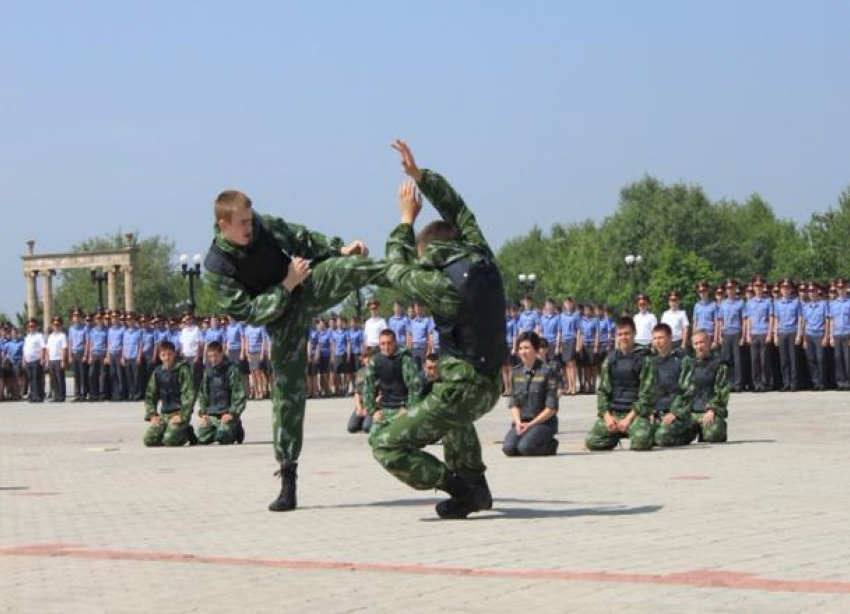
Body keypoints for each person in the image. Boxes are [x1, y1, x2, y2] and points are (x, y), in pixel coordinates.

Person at [204, 186, 384, 512]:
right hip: (282, 316)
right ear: (223, 224)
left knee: (352, 267)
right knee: (287, 396)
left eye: (250, 220)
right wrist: (287, 284)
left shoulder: (263, 226)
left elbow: (301, 238)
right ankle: (288, 480)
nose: (249, 227)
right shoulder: (218, 267)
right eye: (242, 223)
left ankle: (417, 276)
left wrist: (340, 249)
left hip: (307, 286)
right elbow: (251, 313)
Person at [370, 140, 506, 520]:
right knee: (454, 418)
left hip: (463, 389)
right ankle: (476, 487)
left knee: (385, 444)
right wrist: (421, 176)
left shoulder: (441, 283)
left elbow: (396, 269)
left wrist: (405, 220)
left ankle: (460, 488)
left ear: (428, 252)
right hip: (490, 383)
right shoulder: (482, 256)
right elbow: (458, 208)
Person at [584, 316, 655, 451]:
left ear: (634, 333)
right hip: (614, 414)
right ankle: (615, 435)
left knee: (641, 442)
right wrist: (607, 417)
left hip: (635, 415)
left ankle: (638, 431)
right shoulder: (610, 360)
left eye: (627, 334)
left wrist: (628, 419)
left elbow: (646, 395)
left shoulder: (644, 359)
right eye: (620, 334)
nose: (623, 337)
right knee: (592, 441)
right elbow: (602, 391)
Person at [502, 332, 560, 457]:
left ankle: (551, 445)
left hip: (542, 423)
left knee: (525, 448)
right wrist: (518, 422)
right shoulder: (516, 372)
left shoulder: (547, 371)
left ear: (536, 349)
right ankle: (527, 438)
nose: (523, 352)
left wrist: (531, 424)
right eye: (520, 348)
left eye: (527, 348)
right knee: (509, 449)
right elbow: (514, 403)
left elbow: (552, 407)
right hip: (522, 422)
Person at [362, 329, 421, 435]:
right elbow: (368, 387)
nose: (386, 347)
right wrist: (373, 411)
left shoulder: (405, 359)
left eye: (389, 343)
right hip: (384, 407)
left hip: (402, 407)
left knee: (399, 436)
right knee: (374, 437)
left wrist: (409, 409)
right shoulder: (376, 360)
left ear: (395, 342)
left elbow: (414, 387)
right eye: (383, 343)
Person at [143, 341, 197, 447]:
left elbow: (189, 394)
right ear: (159, 356)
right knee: (149, 440)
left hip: (179, 413)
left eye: (169, 354)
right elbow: (150, 395)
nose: (167, 358)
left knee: (169, 440)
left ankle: (186, 432)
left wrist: (182, 415)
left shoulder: (183, 370)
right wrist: (152, 415)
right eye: (163, 355)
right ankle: (169, 430)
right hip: (164, 415)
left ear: (174, 354)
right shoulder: (157, 372)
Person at [650, 324, 693, 448]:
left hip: (677, 415)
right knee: (641, 438)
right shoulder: (651, 363)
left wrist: (675, 413)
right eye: (655, 338)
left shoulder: (683, 361)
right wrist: (649, 412)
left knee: (661, 437)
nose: (657, 342)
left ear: (670, 338)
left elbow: (688, 391)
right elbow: (647, 391)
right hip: (657, 414)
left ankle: (686, 434)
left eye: (661, 338)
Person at [197, 341, 246, 445]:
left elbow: (239, 394)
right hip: (212, 414)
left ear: (221, 353)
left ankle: (236, 429)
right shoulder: (208, 372)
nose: (213, 359)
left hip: (227, 413)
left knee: (222, 438)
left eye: (216, 355)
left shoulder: (232, 370)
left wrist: (232, 414)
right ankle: (218, 430)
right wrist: (203, 413)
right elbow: (203, 394)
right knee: (201, 438)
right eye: (210, 356)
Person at [686, 330, 729, 443]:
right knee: (668, 435)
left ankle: (711, 429)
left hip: (710, 412)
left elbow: (722, 392)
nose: (699, 346)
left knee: (713, 435)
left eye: (702, 342)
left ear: (708, 342)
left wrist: (712, 410)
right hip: (691, 412)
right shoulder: (688, 365)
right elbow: (681, 392)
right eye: (696, 343)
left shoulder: (719, 365)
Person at [743, 275, 774, 392]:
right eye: (756, 286)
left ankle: (766, 383)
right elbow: (748, 320)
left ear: (763, 287)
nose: (758, 288)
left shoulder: (768, 301)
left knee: (764, 360)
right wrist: (747, 335)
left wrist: (770, 334)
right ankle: (756, 383)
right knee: (754, 360)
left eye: (760, 286)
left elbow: (771, 318)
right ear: (753, 287)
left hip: (764, 332)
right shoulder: (749, 303)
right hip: (753, 333)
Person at [772, 278, 803, 391]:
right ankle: (786, 382)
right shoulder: (777, 303)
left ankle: (794, 383)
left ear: (791, 290)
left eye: (787, 288)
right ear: (780, 290)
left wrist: (799, 334)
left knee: (793, 359)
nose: (785, 290)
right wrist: (775, 335)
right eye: (783, 288)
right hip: (781, 332)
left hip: (792, 332)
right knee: (784, 359)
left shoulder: (796, 302)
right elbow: (776, 319)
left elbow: (800, 319)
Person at [718, 279, 746, 392]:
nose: (730, 290)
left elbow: (744, 320)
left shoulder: (741, 303)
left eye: (732, 288)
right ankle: (728, 383)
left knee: (738, 360)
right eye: (728, 288)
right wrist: (720, 335)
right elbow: (720, 320)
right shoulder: (723, 304)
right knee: (726, 360)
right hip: (726, 333)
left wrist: (743, 336)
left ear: (735, 289)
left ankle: (738, 384)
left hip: (736, 332)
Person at [802, 283, 830, 390]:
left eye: (813, 290)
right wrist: (804, 339)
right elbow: (804, 323)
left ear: (817, 291)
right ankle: (815, 383)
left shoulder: (823, 304)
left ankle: (822, 383)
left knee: (821, 359)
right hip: (809, 335)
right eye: (809, 291)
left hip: (819, 335)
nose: (811, 293)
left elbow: (827, 321)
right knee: (811, 359)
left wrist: (826, 336)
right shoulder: (806, 306)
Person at [557, 297, 581, 396]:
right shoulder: (561, 316)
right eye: (566, 303)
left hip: (572, 340)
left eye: (570, 303)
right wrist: (559, 344)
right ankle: (569, 386)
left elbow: (579, 330)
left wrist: (578, 344)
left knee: (572, 364)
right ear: (564, 304)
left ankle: (574, 386)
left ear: (572, 304)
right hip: (564, 341)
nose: (568, 304)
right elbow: (559, 331)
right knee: (567, 364)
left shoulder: (576, 315)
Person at [829, 278, 850, 389]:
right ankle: (841, 383)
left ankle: (848, 382)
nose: (841, 289)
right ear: (836, 289)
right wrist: (831, 336)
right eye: (839, 287)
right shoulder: (833, 304)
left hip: (847, 334)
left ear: (846, 288)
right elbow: (832, 320)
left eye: (843, 287)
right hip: (836, 335)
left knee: (847, 359)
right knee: (838, 359)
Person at [347, 350, 374, 434]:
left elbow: (381, 395)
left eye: (370, 357)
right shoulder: (360, 372)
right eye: (365, 357)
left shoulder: (379, 372)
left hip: (374, 405)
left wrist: (369, 408)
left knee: (367, 428)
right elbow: (357, 392)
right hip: (363, 404)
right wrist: (359, 407)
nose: (368, 359)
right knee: (351, 428)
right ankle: (364, 420)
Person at [86, 312, 109, 401]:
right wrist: (90, 356)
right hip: (94, 354)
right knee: (92, 375)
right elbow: (91, 344)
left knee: (103, 376)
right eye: (97, 318)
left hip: (103, 354)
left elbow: (108, 344)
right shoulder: (92, 330)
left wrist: (107, 356)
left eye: (100, 318)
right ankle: (93, 394)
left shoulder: (106, 330)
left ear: (102, 319)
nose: (98, 320)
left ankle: (102, 394)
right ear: (95, 320)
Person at [23, 318, 47, 403]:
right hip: (28, 361)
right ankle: (33, 395)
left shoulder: (39, 336)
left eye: (33, 326)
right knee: (30, 379)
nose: (31, 327)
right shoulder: (27, 337)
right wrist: (24, 360)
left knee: (36, 378)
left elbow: (43, 347)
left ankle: (39, 396)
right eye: (29, 326)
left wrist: (42, 358)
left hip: (36, 360)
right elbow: (25, 349)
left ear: (36, 326)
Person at [68, 309, 89, 402]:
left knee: (83, 374)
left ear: (80, 317)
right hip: (74, 353)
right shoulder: (71, 329)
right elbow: (70, 342)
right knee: (76, 375)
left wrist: (85, 355)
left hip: (81, 352)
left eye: (77, 316)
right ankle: (77, 394)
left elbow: (87, 342)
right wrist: (69, 355)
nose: (76, 317)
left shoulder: (85, 327)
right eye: (74, 316)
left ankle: (83, 394)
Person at [179, 313, 203, 394]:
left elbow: (199, 343)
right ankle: (188, 391)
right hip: (185, 355)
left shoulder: (196, 329)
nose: (188, 321)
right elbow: (182, 342)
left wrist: (197, 356)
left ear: (192, 320)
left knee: (194, 374)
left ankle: (196, 391)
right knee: (186, 374)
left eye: (189, 319)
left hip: (193, 355)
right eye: (186, 319)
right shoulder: (183, 330)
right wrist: (181, 351)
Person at [122, 313, 144, 401]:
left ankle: (137, 394)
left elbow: (140, 345)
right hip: (127, 357)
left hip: (135, 357)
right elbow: (124, 345)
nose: (129, 321)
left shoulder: (139, 331)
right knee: (129, 377)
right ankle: (131, 394)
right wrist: (123, 356)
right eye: (128, 320)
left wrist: (139, 356)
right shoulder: (125, 332)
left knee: (136, 377)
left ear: (134, 320)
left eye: (131, 319)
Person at [46, 317, 68, 402]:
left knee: (60, 379)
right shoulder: (50, 336)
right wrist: (48, 360)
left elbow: (64, 348)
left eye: (58, 324)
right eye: (54, 325)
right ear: (52, 326)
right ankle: (56, 395)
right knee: (53, 379)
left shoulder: (62, 336)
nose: (56, 326)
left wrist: (63, 360)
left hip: (59, 359)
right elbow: (48, 348)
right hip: (52, 360)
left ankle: (61, 396)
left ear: (61, 325)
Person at [693, 281, 720, 349]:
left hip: (710, 336)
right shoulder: (697, 306)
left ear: (708, 291)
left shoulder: (714, 305)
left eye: (704, 290)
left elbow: (717, 323)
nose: (702, 293)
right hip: (699, 336)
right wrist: (693, 337)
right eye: (700, 291)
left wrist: (715, 340)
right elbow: (695, 322)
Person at [105, 312, 126, 401]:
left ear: (118, 318)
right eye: (113, 318)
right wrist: (107, 356)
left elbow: (124, 343)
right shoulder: (110, 330)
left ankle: (122, 394)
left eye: (116, 317)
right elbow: (109, 343)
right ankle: (115, 394)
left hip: (119, 353)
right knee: (113, 374)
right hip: (112, 353)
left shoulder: (123, 329)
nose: (114, 319)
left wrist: (123, 356)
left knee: (120, 374)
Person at [408, 302, 433, 368]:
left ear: (422, 308)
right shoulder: (412, 322)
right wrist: (409, 348)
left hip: (423, 348)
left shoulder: (427, 321)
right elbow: (410, 336)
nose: (417, 310)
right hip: (414, 349)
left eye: (418, 307)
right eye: (416, 308)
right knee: (415, 368)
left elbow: (430, 336)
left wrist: (429, 349)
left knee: (424, 368)